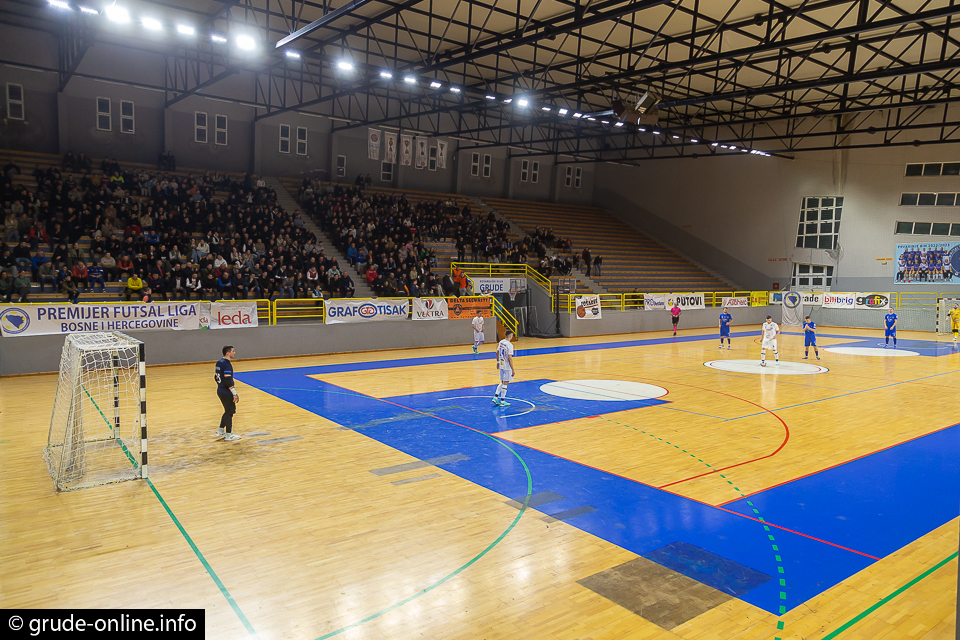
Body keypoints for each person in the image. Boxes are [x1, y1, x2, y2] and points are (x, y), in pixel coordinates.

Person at [214, 345, 241, 441]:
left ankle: (220, 430)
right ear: (228, 353)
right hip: (226, 392)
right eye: (233, 351)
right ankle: (229, 435)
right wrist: (234, 392)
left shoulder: (219, 362)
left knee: (227, 411)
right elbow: (228, 379)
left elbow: (215, 377)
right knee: (230, 412)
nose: (235, 353)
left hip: (220, 390)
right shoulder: (226, 364)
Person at [493, 330, 515, 407]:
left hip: (501, 364)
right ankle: (502, 400)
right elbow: (509, 357)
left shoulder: (501, 342)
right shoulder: (510, 345)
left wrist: (498, 362)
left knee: (502, 382)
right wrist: (512, 369)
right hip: (506, 365)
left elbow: (497, 353)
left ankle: (495, 397)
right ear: (511, 336)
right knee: (505, 383)